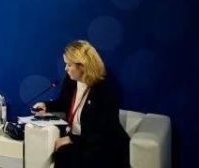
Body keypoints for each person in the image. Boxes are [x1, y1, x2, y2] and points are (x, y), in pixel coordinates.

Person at [32, 39, 129, 168]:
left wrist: (72, 139)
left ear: (82, 66)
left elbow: (104, 130)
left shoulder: (104, 88)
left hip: (102, 145)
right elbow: (64, 102)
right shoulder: (71, 80)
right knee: (61, 152)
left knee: (66, 155)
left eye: (69, 65)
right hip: (81, 141)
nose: (66, 69)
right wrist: (46, 106)